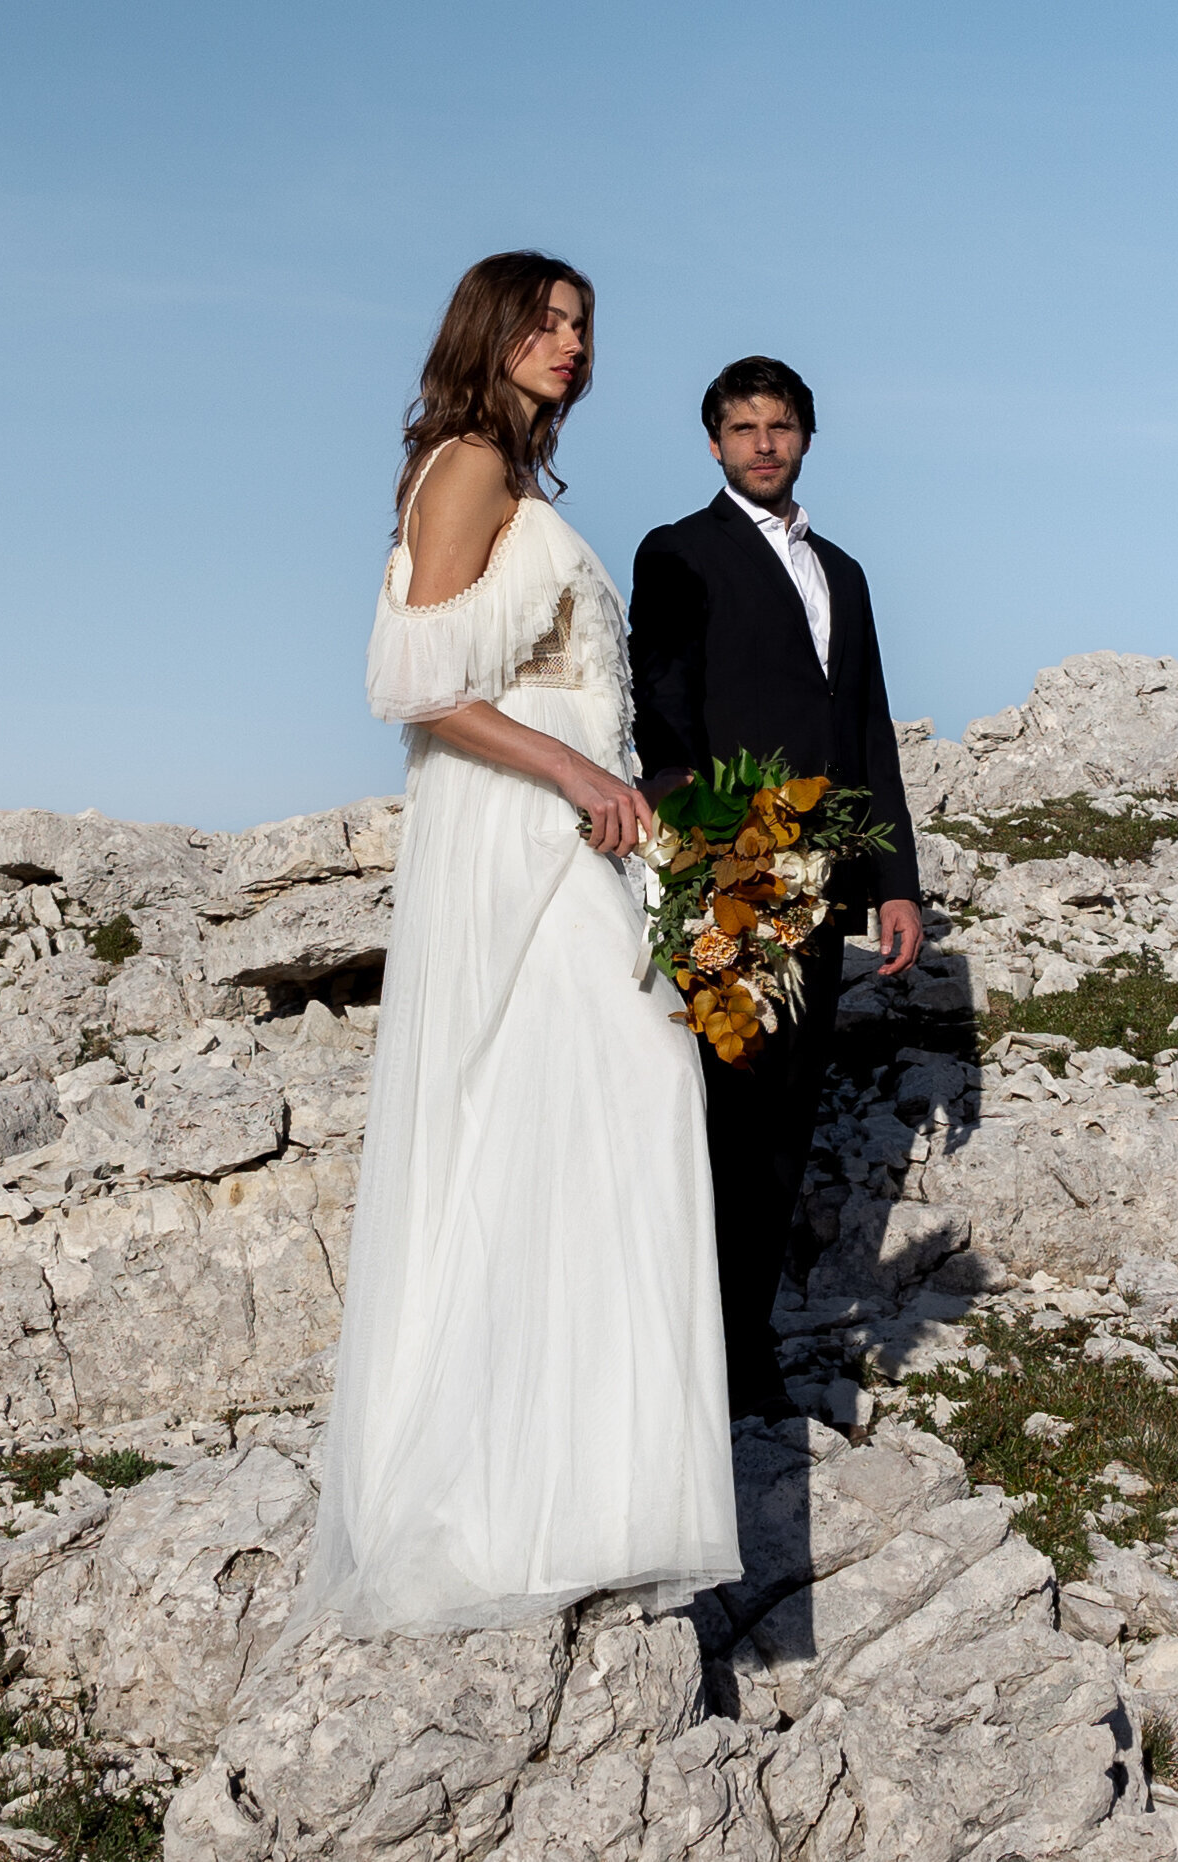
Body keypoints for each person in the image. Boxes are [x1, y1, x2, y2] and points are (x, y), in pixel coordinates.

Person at [297, 253, 741, 1636]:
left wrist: (628, 797)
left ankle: (574, 1484)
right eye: (544, 323)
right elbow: (412, 684)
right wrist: (570, 778)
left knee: (584, 1110)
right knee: (624, 1087)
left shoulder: (514, 479)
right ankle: (492, 1494)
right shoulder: (467, 465)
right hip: (510, 833)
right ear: (487, 334)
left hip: (566, 828)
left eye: (581, 328)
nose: (568, 345)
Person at [629, 356, 924, 1423]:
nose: (763, 441)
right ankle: (709, 1354)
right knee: (724, 1117)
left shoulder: (842, 571)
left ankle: (743, 1344)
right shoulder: (678, 552)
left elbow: (866, 730)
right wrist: (714, 853)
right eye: (743, 426)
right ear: (713, 442)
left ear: (806, 437)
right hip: (730, 877)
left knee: (787, 1118)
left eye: (781, 425)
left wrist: (894, 881)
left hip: (824, 881)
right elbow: (660, 716)